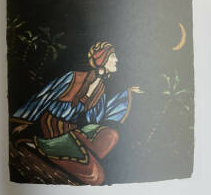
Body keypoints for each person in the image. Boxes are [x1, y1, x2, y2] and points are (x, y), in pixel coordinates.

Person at [10, 41, 142, 185]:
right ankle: (37, 145)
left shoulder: (100, 89)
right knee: (95, 176)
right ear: (102, 59)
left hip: (71, 130)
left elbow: (96, 119)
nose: (116, 60)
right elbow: (44, 97)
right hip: (52, 131)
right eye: (113, 56)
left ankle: (74, 152)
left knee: (111, 135)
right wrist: (23, 122)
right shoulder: (74, 77)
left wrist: (127, 93)